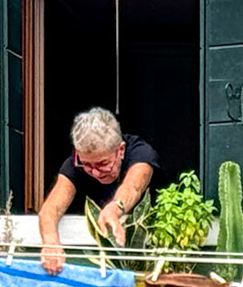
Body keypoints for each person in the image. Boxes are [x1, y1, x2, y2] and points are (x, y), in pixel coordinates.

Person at [37, 108, 158, 275]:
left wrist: (115, 208)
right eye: (86, 164)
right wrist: (50, 242)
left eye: (102, 164)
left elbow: (133, 186)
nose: (94, 172)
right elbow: (50, 209)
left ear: (120, 150)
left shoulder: (140, 152)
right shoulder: (75, 163)